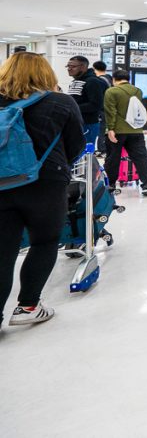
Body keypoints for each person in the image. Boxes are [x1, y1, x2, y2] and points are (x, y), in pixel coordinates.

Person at [0, 52, 85, 329]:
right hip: (46, 183)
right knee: (45, 242)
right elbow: (76, 146)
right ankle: (28, 306)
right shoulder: (60, 101)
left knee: (3, 250)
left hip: (1, 184)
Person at [103, 69, 147, 197]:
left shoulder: (111, 91)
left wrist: (110, 129)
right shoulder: (137, 91)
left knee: (112, 158)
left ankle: (110, 184)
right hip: (135, 130)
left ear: (114, 79)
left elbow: (111, 112)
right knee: (141, 157)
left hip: (117, 131)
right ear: (128, 79)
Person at [65, 55, 107, 150]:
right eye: (68, 66)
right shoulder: (76, 81)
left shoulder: (92, 81)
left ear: (83, 67)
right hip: (77, 123)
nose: (69, 69)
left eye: (73, 66)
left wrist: (73, 108)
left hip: (88, 124)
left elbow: (95, 104)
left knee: (84, 154)